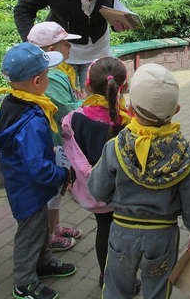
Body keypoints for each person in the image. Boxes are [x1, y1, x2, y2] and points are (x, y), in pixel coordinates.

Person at [88, 63, 190, 298]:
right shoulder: (184, 152)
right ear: (177, 109)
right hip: (162, 236)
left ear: (130, 109)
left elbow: (98, 190)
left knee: (115, 288)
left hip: (122, 232)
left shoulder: (116, 146)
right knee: (158, 289)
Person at [0, 42, 76, 299]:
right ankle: (24, 281)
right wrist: (61, 176)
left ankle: (44, 261)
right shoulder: (32, 119)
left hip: (23, 184)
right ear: (38, 81)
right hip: (29, 189)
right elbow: (38, 167)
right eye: (48, 75)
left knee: (39, 229)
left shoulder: (12, 102)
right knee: (30, 233)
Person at [61, 57, 131, 288]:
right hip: (122, 195)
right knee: (123, 234)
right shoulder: (127, 122)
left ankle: (105, 276)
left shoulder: (74, 119)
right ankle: (124, 279)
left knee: (104, 228)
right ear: (124, 87)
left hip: (93, 193)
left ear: (87, 86)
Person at [28, 21, 84, 252]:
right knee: (52, 189)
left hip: (57, 140)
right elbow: (65, 109)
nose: (70, 47)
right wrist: (92, 104)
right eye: (65, 43)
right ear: (51, 50)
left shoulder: (56, 72)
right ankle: (50, 234)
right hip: (53, 142)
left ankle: (56, 226)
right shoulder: (48, 77)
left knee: (58, 189)